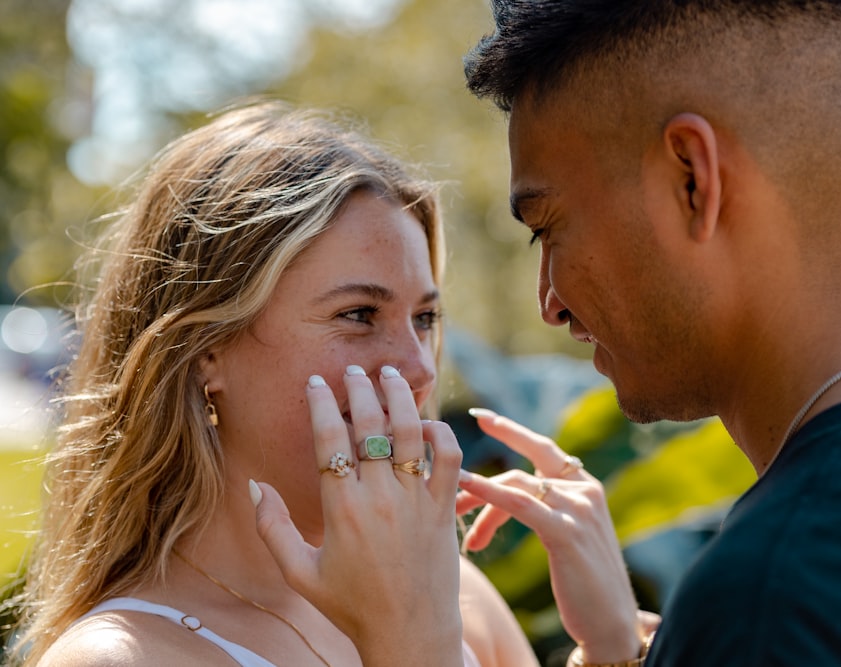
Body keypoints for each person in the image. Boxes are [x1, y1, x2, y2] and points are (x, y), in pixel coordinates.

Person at [250, 1, 841, 666]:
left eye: (548, 224)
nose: (549, 301)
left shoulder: (783, 590)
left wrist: (412, 646)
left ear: (691, 180)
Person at [7, 101, 538, 667]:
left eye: (425, 319)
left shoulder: (451, 597)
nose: (419, 367)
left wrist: (611, 649)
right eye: (359, 314)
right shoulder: (123, 658)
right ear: (205, 350)